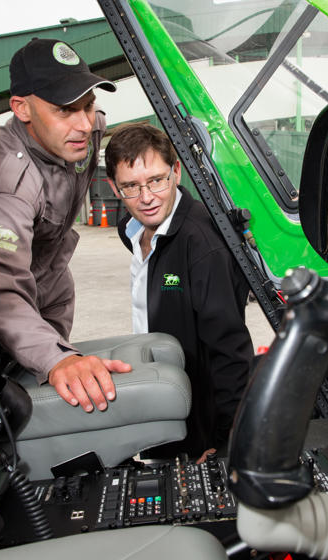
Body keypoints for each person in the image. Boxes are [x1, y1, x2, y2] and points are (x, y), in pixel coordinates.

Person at [0, 38, 129, 413]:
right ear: (22, 108)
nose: (84, 124)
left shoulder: (88, 128)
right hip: (11, 305)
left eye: (88, 105)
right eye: (65, 110)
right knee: (32, 395)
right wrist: (59, 359)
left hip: (54, 282)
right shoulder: (10, 179)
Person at [105, 122, 254, 461]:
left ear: (176, 171)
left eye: (156, 180)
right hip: (160, 397)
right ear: (114, 186)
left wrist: (227, 442)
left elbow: (231, 353)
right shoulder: (131, 229)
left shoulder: (201, 245)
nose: (146, 197)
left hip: (197, 426)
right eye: (131, 186)